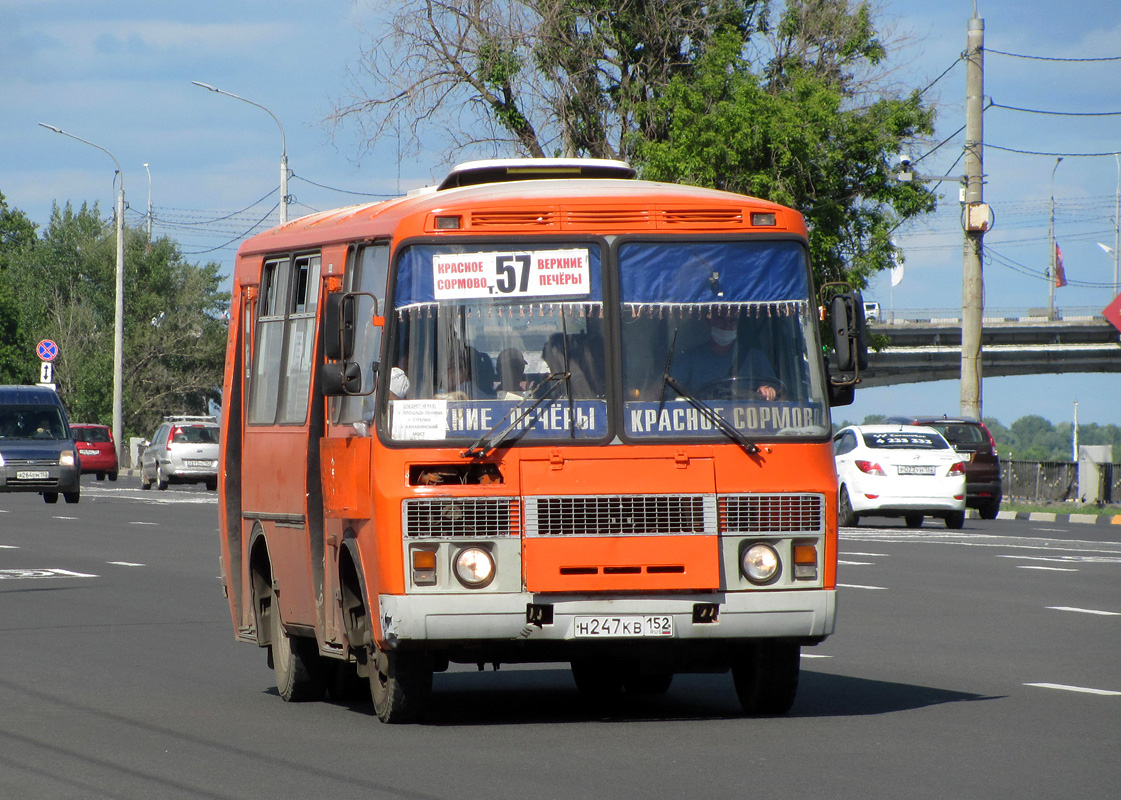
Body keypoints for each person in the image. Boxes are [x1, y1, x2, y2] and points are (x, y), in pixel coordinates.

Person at [672, 315, 779, 400]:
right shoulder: (689, 358)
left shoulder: (755, 357)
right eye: (720, 319)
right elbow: (668, 391)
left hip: (743, 423)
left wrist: (768, 390)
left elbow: (775, 390)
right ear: (709, 322)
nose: (726, 326)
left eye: (732, 320)